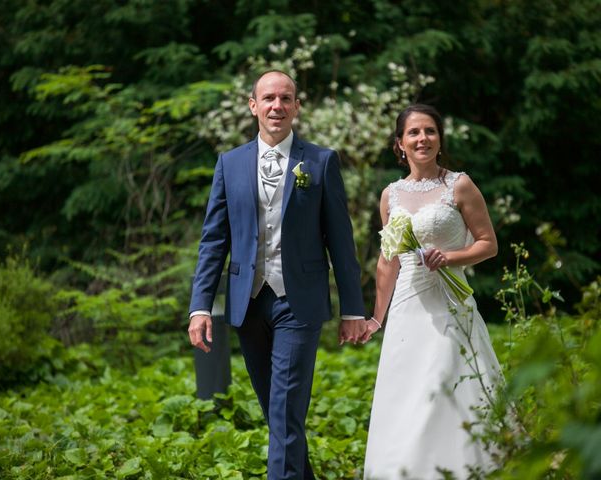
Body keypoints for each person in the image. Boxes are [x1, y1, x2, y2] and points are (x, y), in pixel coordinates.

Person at [188, 70, 366, 479]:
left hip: (298, 302)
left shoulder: (321, 161)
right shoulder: (228, 164)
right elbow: (213, 241)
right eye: (268, 98)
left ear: (297, 107)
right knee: (277, 412)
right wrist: (200, 306)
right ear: (253, 106)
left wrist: (352, 309)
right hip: (247, 304)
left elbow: (341, 240)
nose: (277, 106)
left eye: (286, 98)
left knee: (285, 411)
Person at [361, 104, 504, 479]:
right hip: (408, 307)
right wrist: (378, 317)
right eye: (413, 133)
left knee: (445, 383)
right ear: (400, 144)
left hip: (450, 305)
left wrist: (452, 255)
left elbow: (489, 243)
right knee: (405, 393)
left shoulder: (458, 185)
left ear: (439, 140)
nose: (422, 139)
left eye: (429, 131)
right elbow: (387, 261)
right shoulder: (390, 195)